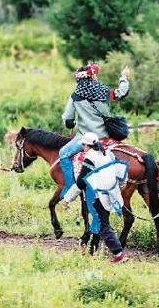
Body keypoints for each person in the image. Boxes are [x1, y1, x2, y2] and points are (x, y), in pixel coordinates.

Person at [59, 63, 130, 198]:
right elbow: (122, 93)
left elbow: (68, 119)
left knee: (63, 153)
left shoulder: (75, 96)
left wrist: (71, 123)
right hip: (105, 136)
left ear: (79, 80)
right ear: (93, 77)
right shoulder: (104, 92)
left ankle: (69, 187)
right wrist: (124, 77)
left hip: (84, 138)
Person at [62, 132, 128, 263]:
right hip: (110, 193)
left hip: (98, 196)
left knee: (103, 225)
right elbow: (120, 171)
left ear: (87, 145)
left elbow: (81, 182)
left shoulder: (90, 157)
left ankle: (119, 254)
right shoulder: (107, 153)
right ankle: (96, 249)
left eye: (83, 145)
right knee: (101, 223)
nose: (83, 148)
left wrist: (67, 198)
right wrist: (118, 189)